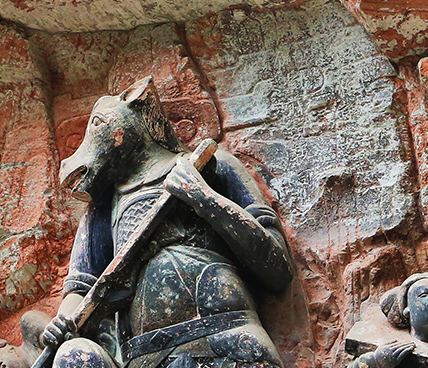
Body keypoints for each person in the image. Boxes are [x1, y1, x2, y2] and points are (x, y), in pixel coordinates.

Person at [37, 78, 292, 368]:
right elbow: (81, 288)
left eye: (98, 123)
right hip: (144, 357)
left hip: (226, 339)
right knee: (73, 355)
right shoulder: (104, 207)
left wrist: (204, 198)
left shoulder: (212, 165)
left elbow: (278, 269)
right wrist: (65, 321)